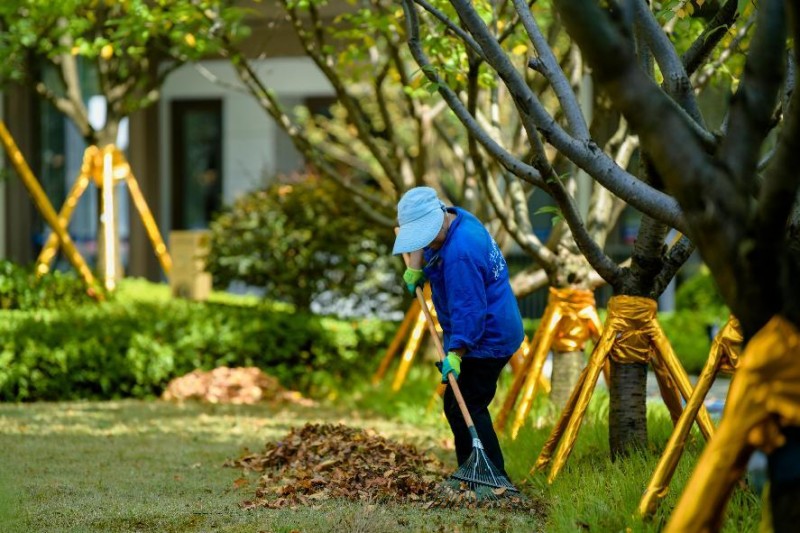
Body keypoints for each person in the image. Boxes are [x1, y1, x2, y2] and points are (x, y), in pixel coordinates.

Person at [392, 186, 524, 478]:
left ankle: (490, 476)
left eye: (425, 235)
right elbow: (421, 241)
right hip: (488, 325)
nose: (423, 243)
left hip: (488, 337)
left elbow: (469, 312)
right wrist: (416, 268)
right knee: (456, 404)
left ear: (438, 219)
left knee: (468, 405)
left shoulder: (460, 253)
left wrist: (455, 354)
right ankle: (471, 470)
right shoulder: (454, 217)